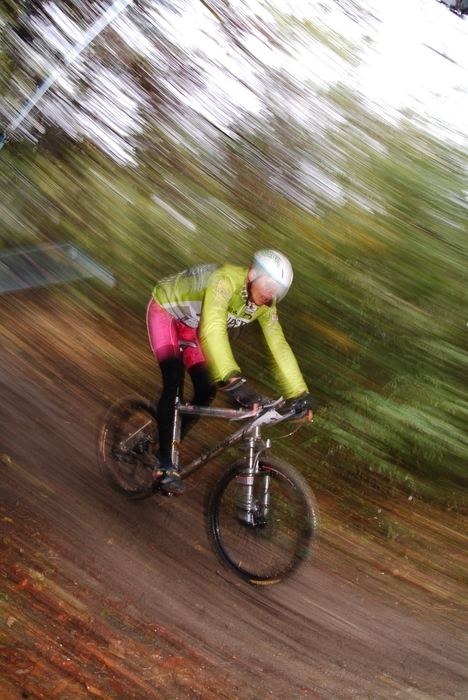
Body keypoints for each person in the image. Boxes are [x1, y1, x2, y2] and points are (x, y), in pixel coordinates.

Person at [146, 249, 317, 494]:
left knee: (205, 392)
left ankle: (169, 442)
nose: (271, 292)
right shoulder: (226, 280)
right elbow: (214, 326)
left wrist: (299, 392)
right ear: (252, 274)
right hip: (165, 312)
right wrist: (232, 379)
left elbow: (278, 344)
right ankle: (164, 463)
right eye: (269, 283)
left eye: (277, 289)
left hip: (192, 326)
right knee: (173, 380)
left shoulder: (266, 305)